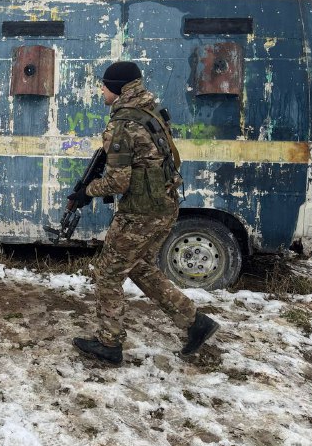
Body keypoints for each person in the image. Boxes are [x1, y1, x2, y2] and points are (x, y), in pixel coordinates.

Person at [71, 61, 219, 365]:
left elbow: (118, 182)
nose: (101, 89)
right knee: (139, 268)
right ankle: (196, 323)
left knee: (107, 274)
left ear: (119, 88)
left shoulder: (123, 124)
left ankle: (109, 343)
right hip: (164, 206)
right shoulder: (150, 112)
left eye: (104, 84)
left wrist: (86, 192)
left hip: (140, 214)